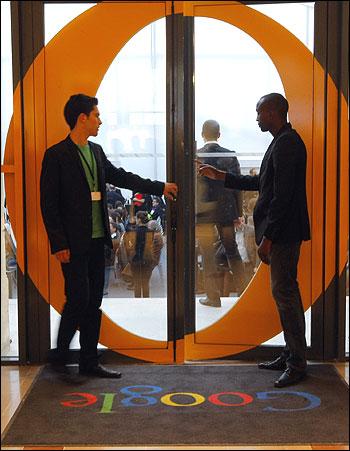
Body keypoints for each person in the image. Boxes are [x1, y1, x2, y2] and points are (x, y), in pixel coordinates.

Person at [40, 93, 177, 379]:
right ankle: (59, 357)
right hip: (72, 244)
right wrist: (59, 244)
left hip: (98, 240)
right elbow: (48, 205)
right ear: (82, 118)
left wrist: (159, 186)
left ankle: (89, 361)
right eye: (96, 115)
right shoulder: (56, 155)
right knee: (78, 298)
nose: (100, 120)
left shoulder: (97, 152)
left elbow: (123, 177)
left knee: (94, 303)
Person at [197, 93, 310, 388]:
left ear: (273, 112)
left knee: (285, 295)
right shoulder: (282, 140)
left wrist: (268, 237)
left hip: (283, 234)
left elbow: (282, 197)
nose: (256, 118)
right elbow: (263, 183)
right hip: (283, 232)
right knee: (287, 293)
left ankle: (297, 363)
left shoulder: (286, 144)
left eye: (259, 112)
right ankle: (291, 354)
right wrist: (222, 176)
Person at [196, 119, 245, 307]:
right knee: (232, 252)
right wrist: (238, 213)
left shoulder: (196, 155)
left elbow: (195, 187)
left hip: (205, 212)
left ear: (202, 134)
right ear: (219, 134)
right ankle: (242, 293)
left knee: (207, 254)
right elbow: (238, 184)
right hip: (226, 211)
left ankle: (213, 297)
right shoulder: (230, 156)